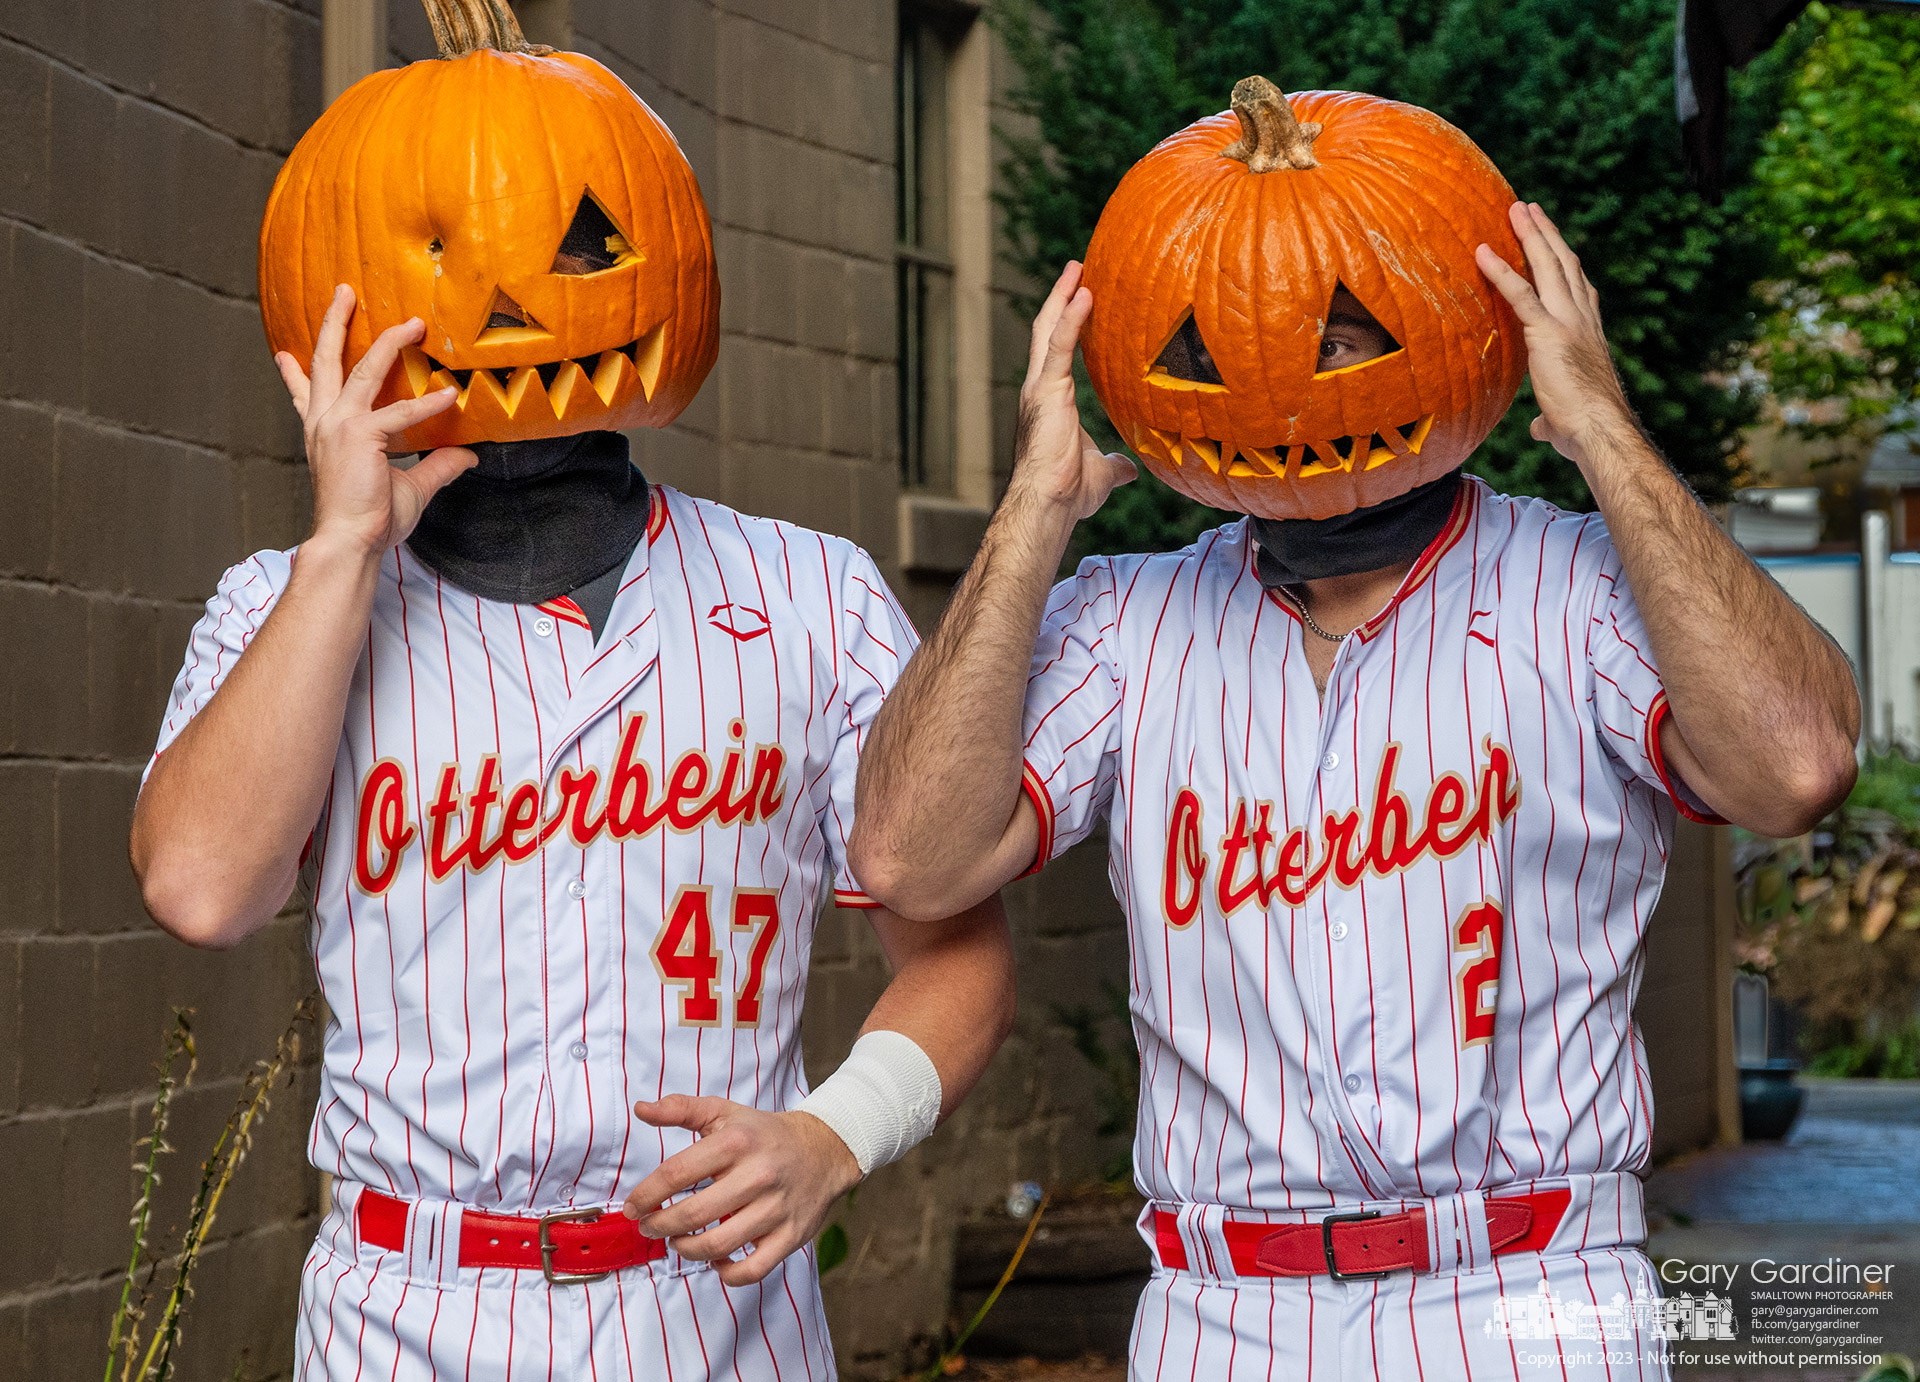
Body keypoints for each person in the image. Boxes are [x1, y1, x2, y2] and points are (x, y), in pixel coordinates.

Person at [848, 199, 1858, 1376]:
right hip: (1227, 1309)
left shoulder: (1581, 588)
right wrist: (1035, 505)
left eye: (1339, 336)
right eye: (1217, 349)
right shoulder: (1123, 619)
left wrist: (1603, 428)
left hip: (1533, 1289)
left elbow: (1798, 768)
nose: (1284, 381)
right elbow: (909, 858)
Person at [130, 281, 1012, 1380]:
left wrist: (837, 1133)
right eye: (447, 259)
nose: (504, 296)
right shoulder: (286, 603)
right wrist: (346, 547)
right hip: (408, 1305)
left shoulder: (811, 594)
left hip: (718, 1305)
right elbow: (199, 886)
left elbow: (959, 950)